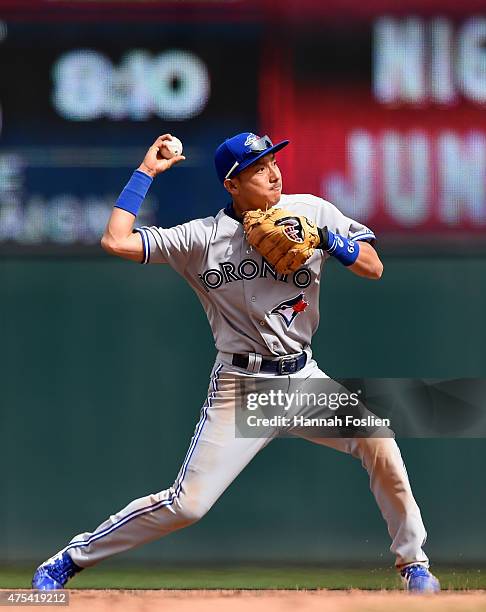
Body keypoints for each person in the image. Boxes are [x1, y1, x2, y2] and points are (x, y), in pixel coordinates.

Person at [32, 132, 440, 593]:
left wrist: (329, 240)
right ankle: (70, 559)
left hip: (303, 378)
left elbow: (373, 265)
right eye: (259, 167)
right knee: (187, 506)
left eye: (273, 161)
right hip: (242, 386)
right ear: (232, 184)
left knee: (377, 438)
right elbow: (115, 240)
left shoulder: (311, 211)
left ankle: (414, 566)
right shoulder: (200, 238)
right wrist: (147, 172)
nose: (273, 173)